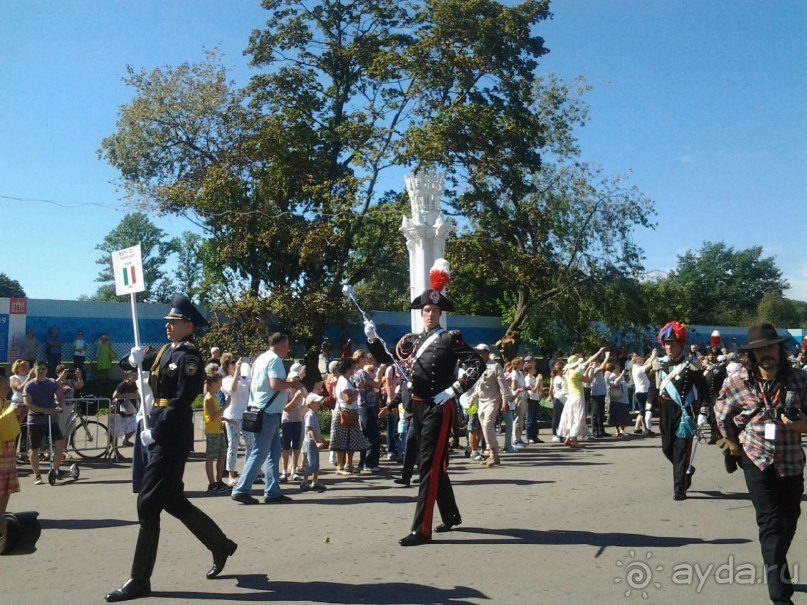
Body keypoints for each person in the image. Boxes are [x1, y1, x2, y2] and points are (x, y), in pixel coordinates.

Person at [105, 294, 237, 602]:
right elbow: (131, 365)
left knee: (148, 503)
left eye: (173, 322)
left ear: (188, 326)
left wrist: (157, 428)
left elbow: (181, 401)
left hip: (171, 433)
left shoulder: (190, 357)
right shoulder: (165, 350)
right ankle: (220, 544)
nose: (168, 325)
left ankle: (140, 579)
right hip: (158, 428)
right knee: (173, 500)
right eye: (167, 321)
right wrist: (132, 358)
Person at [364, 259, 483, 546]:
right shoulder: (413, 341)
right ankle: (451, 514)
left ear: (441, 313)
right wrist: (371, 339)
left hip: (437, 407)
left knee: (427, 466)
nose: (429, 314)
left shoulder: (450, 339)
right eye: (426, 310)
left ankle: (422, 529)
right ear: (422, 313)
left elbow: (477, 365)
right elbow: (387, 359)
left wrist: (453, 391)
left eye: (434, 310)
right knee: (432, 463)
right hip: (415, 406)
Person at [716, 323, 807, 605]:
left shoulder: (800, 380)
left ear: (779, 349)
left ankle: (775, 561)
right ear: (751, 355)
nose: (766, 354)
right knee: (770, 523)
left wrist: (802, 425)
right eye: (759, 350)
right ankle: (781, 596)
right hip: (756, 460)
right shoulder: (737, 383)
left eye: (770, 347)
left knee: (789, 520)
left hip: (791, 461)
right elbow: (721, 416)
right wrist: (733, 446)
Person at [230, 332, 301, 506]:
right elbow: (275, 384)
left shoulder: (260, 359)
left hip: (261, 410)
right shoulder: (275, 360)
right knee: (261, 451)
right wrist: (292, 384)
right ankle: (241, 490)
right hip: (268, 413)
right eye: (287, 345)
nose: (287, 349)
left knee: (273, 451)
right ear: (281, 344)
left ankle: (273, 491)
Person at [652, 321, 708, 501]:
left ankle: (679, 489)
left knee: (682, 450)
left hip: (684, 411)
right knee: (667, 448)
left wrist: (703, 412)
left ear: (680, 344)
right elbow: (655, 388)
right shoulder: (659, 364)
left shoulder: (692, 364)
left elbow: (703, 390)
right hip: (666, 410)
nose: (669, 347)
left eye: (673, 343)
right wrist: (648, 406)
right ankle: (686, 470)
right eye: (666, 343)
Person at [23, 362, 67, 484]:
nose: (41, 371)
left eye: (43, 369)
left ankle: (55, 470)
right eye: (38, 369)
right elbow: (28, 403)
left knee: (60, 443)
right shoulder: (30, 385)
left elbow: (60, 396)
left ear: (47, 370)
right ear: (34, 370)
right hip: (35, 421)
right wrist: (45, 410)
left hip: (50, 420)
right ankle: (37, 475)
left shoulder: (51, 382)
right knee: (34, 448)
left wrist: (60, 407)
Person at [472, 343, 512, 468]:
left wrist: (505, 401)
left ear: (487, 353)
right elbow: (477, 386)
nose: (479, 354)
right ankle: (492, 455)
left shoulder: (495, 366)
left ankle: (494, 454)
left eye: (481, 352)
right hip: (481, 402)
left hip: (492, 400)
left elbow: (503, 386)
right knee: (484, 428)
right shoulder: (477, 366)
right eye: (477, 351)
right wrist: (471, 399)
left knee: (487, 425)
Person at [0, 376, 26, 546]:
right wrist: (11, 412)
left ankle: (1, 516)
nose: (7, 390)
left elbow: (12, 427)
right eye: (4, 387)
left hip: (8, 452)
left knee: (5, 490)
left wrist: (21, 415)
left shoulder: (4, 402)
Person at [221, 356, 253, 486]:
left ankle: (248, 472)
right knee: (233, 445)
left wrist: (252, 367)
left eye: (236, 362)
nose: (235, 365)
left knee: (251, 444)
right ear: (227, 367)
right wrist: (236, 371)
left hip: (245, 415)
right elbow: (232, 390)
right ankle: (231, 474)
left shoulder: (244, 379)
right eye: (232, 363)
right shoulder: (226, 380)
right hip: (233, 416)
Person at [203, 366, 232, 495]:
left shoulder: (214, 396)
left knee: (222, 455)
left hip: (218, 430)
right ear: (213, 384)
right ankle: (212, 483)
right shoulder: (209, 397)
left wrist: (226, 419)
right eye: (219, 383)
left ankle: (219, 481)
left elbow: (216, 415)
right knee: (211, 456)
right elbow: (213, 415)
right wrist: (225, 406)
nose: (220, 385)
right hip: (212, 431)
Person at [300, 393, 327, 492]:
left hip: (314, 442)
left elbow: (315, 429)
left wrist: (321, 438)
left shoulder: (314, 414)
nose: (319, 403)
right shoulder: (310, 415)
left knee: (315, 464)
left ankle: (315, 482)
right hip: (311, 443)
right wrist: (316, 442)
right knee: (311, 464)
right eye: (317, 402)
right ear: (311, 403)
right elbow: (310, 429)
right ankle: (304, 482)